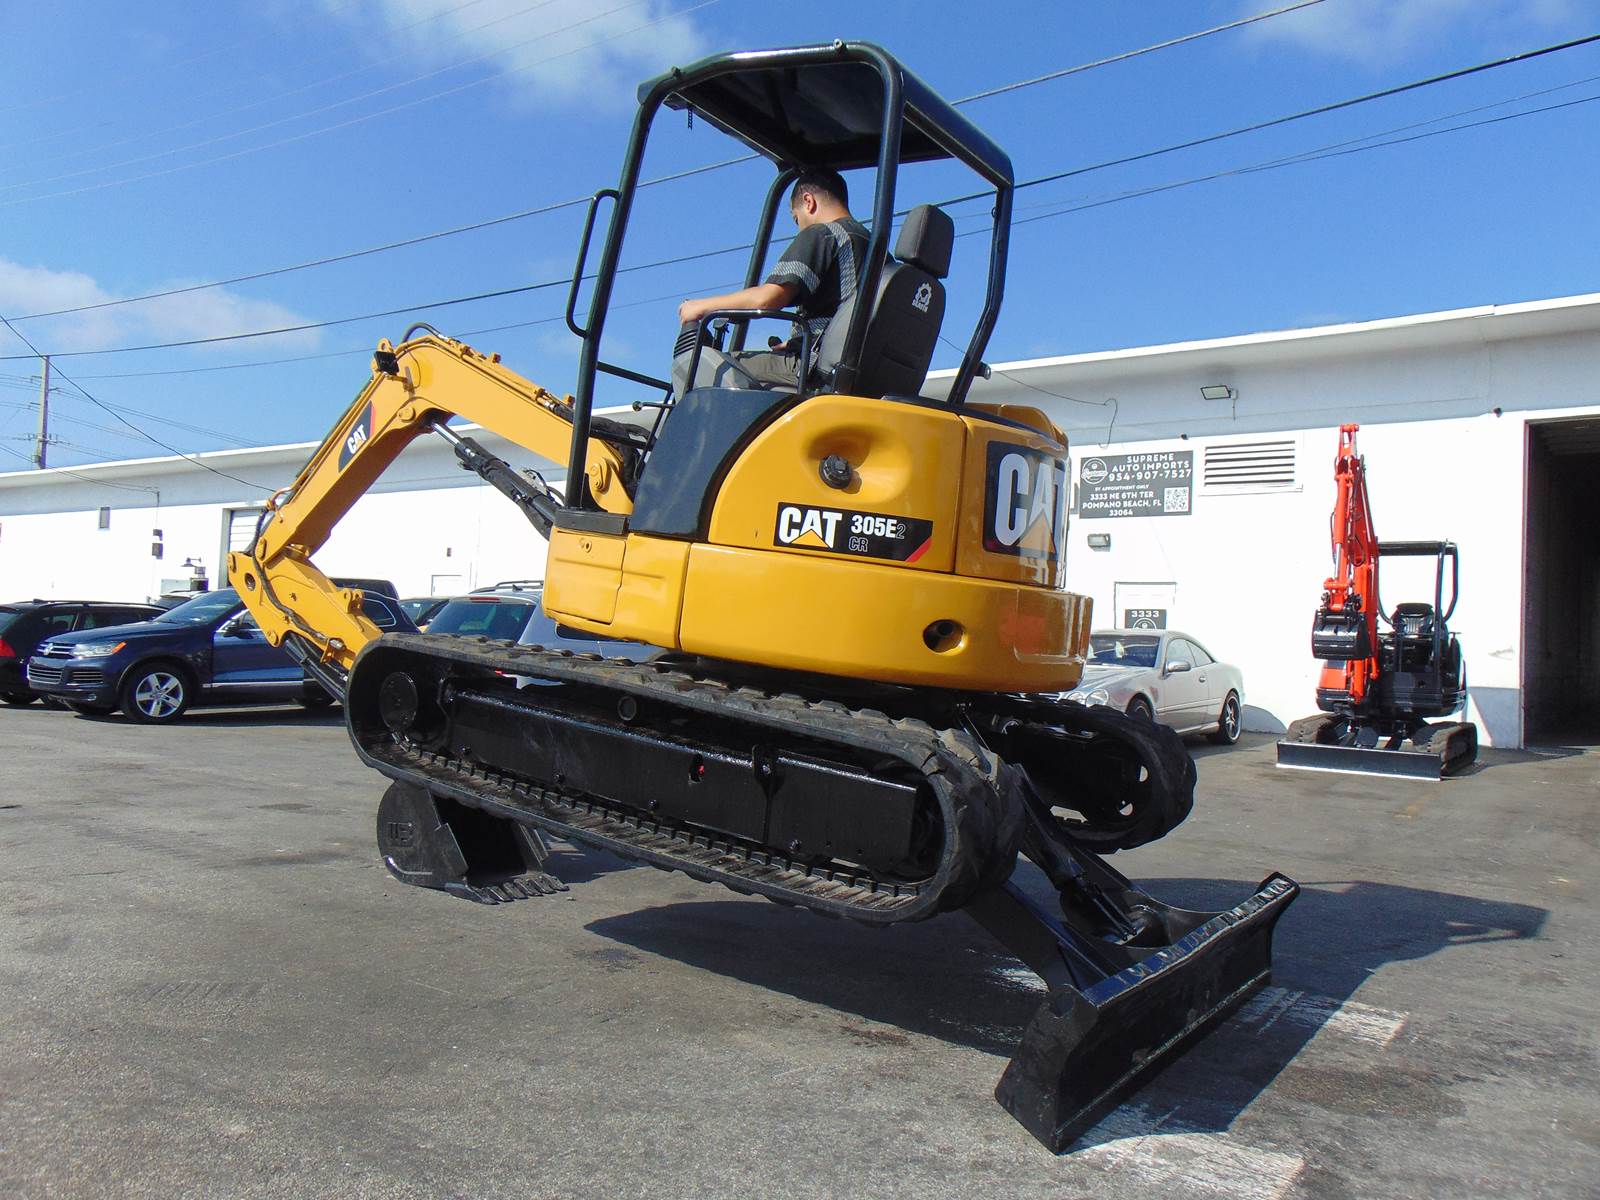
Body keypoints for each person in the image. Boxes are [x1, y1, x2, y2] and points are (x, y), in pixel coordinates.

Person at [671, 167, 869, 397]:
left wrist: (699, 307)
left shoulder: (824, 234)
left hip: (816, 369)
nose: (800, 227)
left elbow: (768, 299)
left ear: (808, 202)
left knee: (704, 365)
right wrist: (798, 342)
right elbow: (847, 313)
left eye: (797, 219)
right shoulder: (876, 251)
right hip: (852, 366)